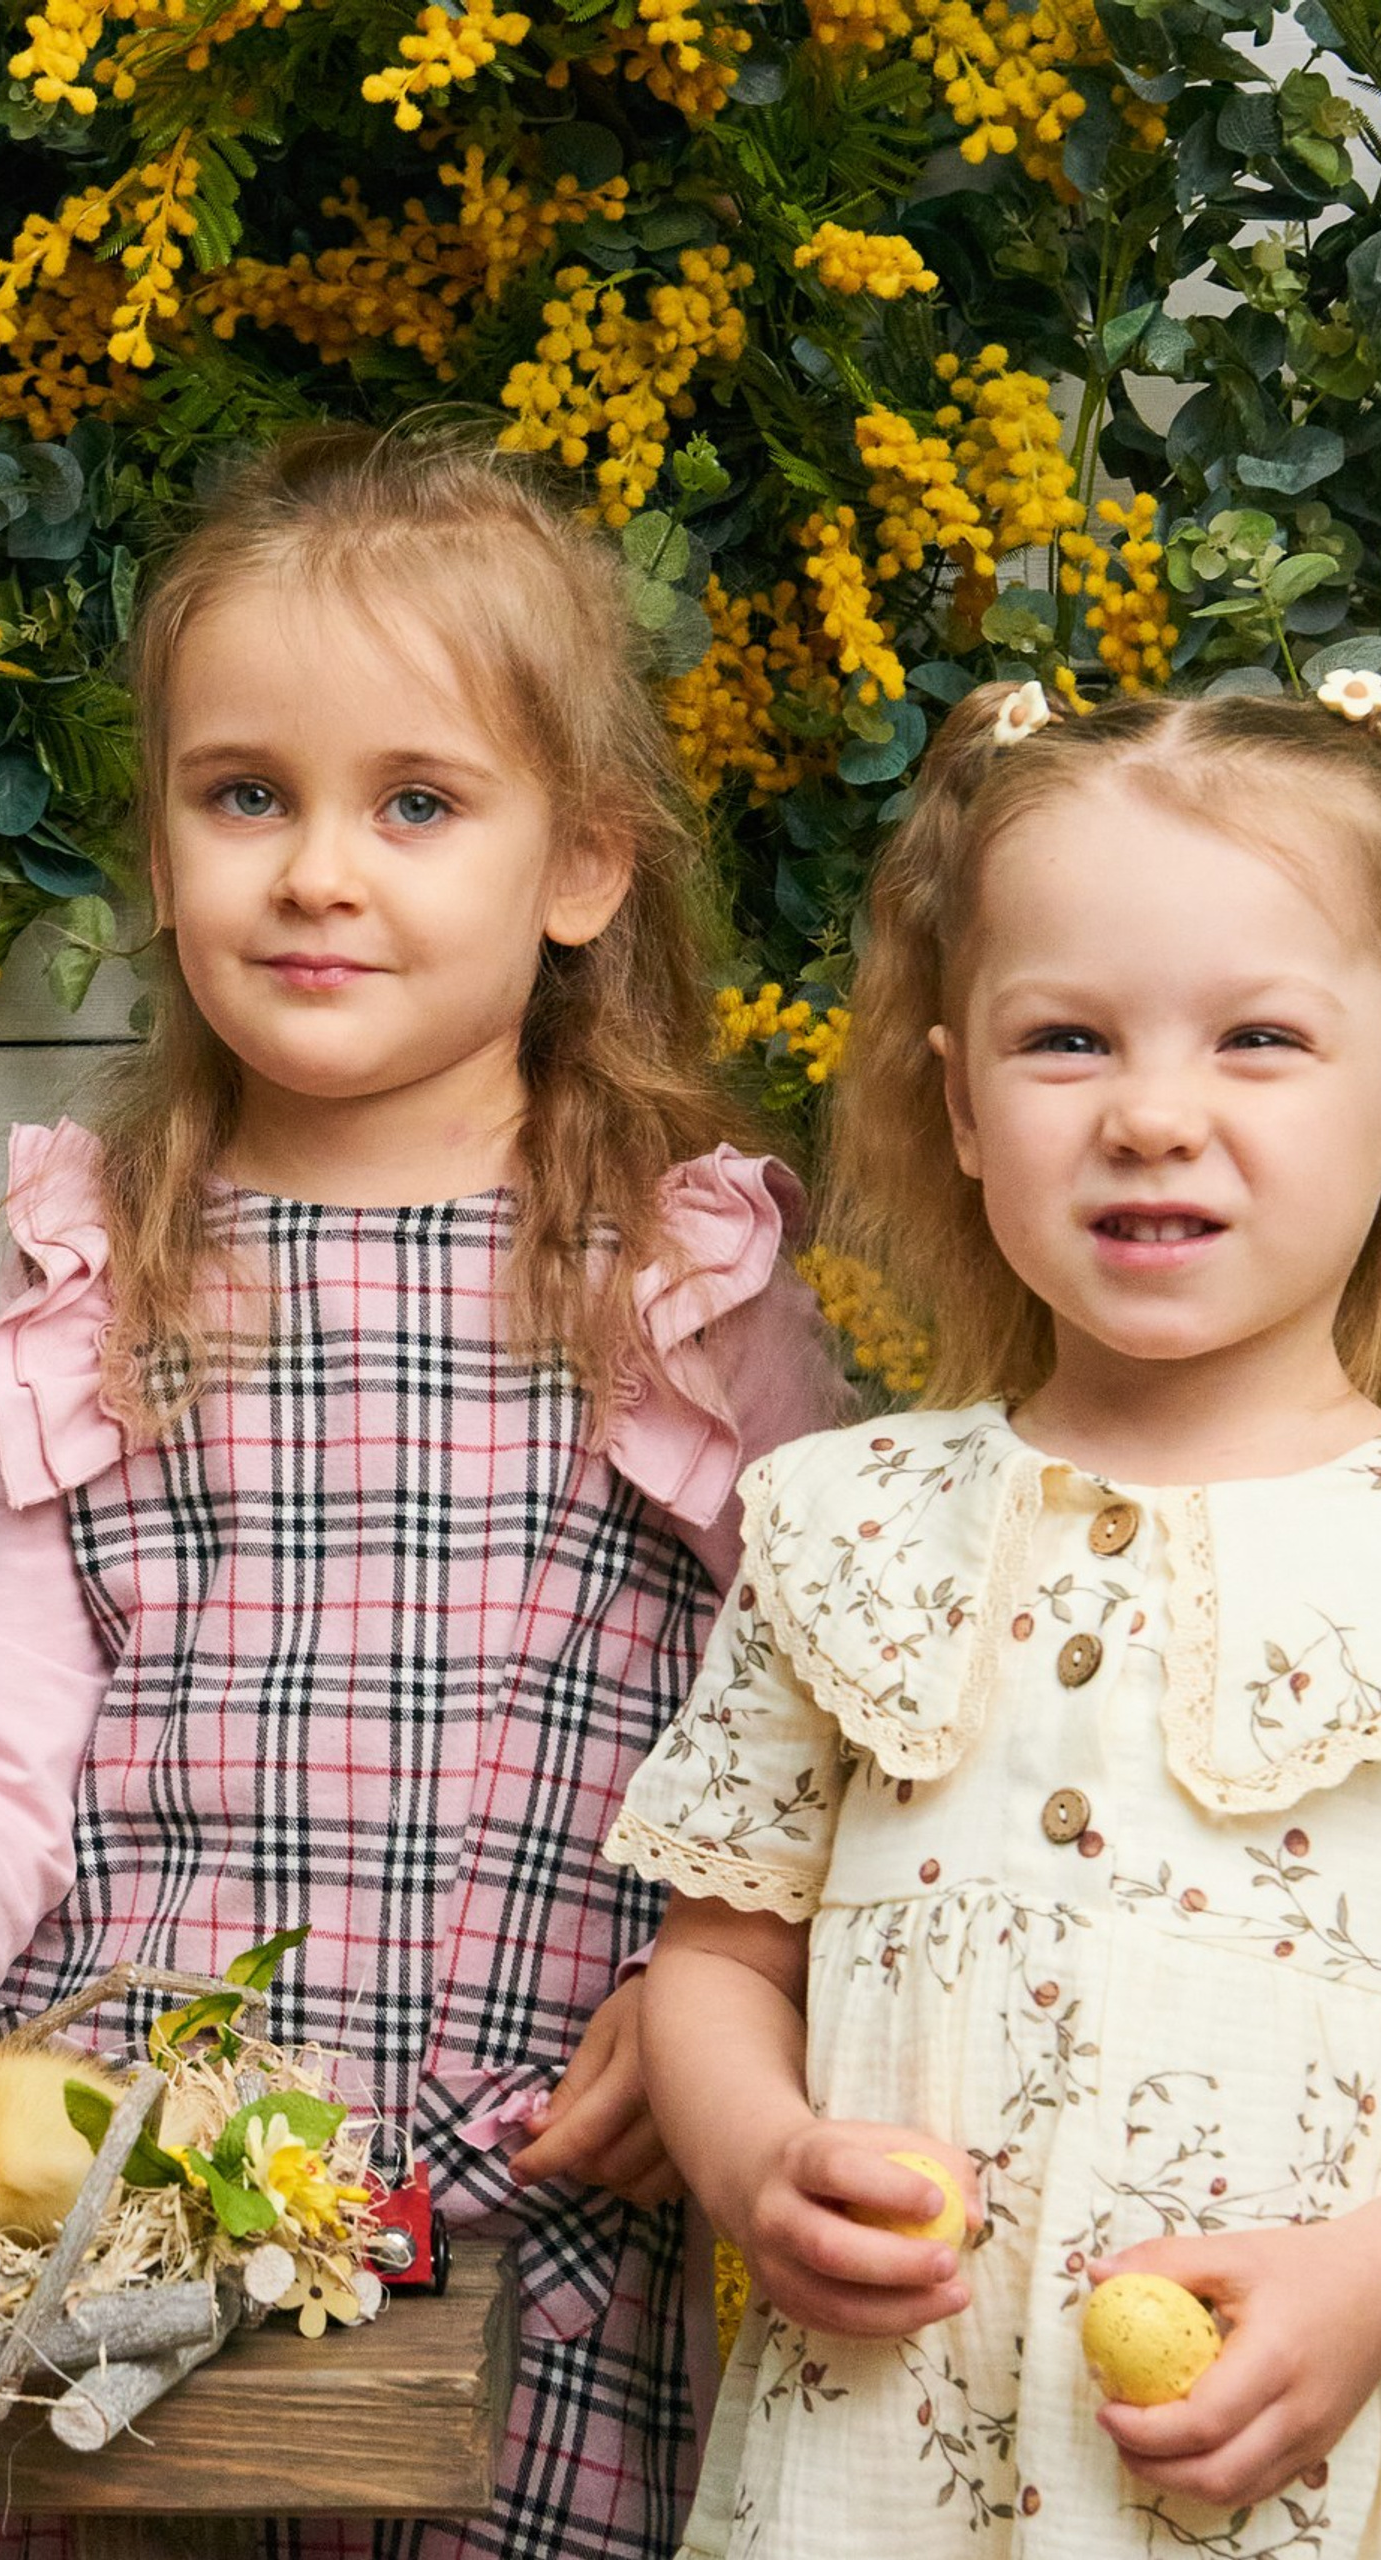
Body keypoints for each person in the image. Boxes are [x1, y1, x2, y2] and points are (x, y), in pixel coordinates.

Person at [0, 422, 845, 2560]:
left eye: (414, 802)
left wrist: (713, 1985)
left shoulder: (682, 1284)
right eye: (243, 794)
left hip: (517, 2208)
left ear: (577, 864)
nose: (313, 868)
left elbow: (838, 1733)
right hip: (103, 2189)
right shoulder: (96, 1277)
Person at [616, 676, 1381, 2554]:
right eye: (1067, 1042)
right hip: (876, 2466)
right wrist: (757, 2157)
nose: (1152, 1116)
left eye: (1262, 1038)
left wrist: (1371, 2283)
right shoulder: (844, 1525)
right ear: (958, 1102)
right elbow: (716, 1961)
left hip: (1285, 2467)